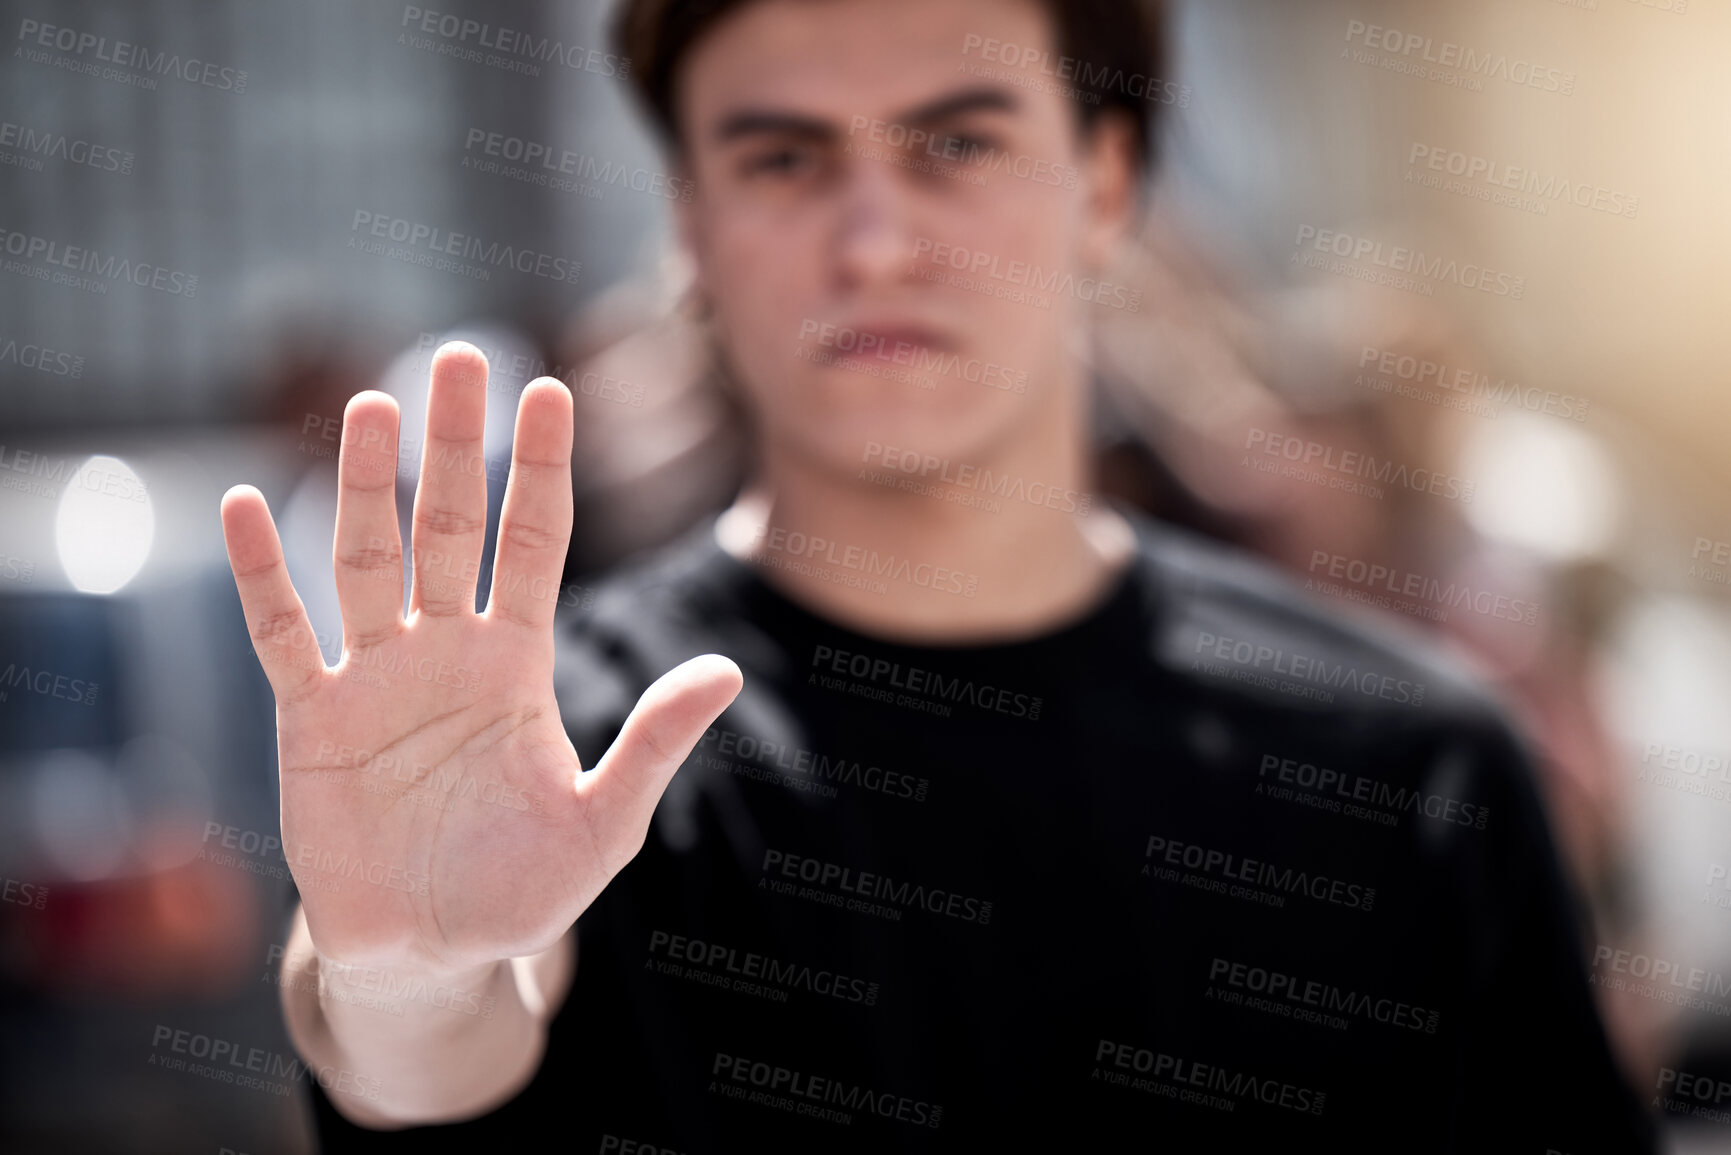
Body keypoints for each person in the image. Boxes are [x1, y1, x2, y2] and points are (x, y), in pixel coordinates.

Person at [218, 0, 1657, 1148]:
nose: (877, 240)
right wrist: (405, 981)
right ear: (692, 226)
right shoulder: (574, 754)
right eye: (782, 157)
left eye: (956, 144)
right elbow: (436, 1028)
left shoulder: (1416, 774)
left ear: (1105, 184)